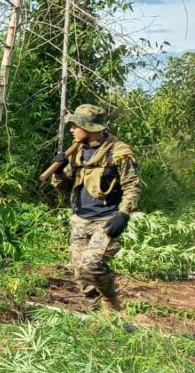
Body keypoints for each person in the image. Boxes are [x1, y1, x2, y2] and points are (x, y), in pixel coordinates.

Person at [50, 103, 141, 313]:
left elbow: (132, 186)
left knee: (90, 265)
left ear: (90, 128)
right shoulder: (77, 152)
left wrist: (123, 214)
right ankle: (97, 316)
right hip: (81, 219)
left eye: (76, 126)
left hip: (106, 219)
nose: (72, 130)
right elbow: (64, 189)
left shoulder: (119, 152)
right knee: (80, 274)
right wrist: (59, 171)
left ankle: (111, 301)